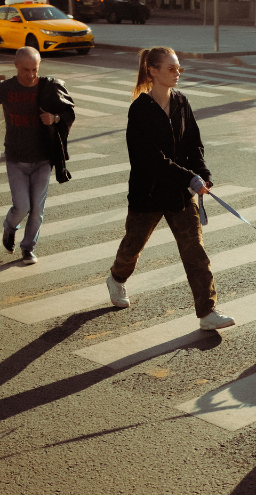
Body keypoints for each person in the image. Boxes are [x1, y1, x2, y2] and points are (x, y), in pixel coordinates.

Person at [105, 47, 235, 332]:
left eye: (179, 69)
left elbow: (193, 144)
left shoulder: (181, 102)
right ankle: (116, 278)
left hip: (179, 194)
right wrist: (190, 178)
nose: (177, 73)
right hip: (148, 192)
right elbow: (150, 159)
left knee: (195, 252)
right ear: (152, 71)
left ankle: (207, 311)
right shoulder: (139, 109)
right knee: (132, 247)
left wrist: (202, 173)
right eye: (171, 69)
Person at [0, 47, 75, 266]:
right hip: (16, 159)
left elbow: (69, 112)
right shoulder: (4, 88)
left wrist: (55, 118)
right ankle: (9, 227)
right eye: (26, 70)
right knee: (22, 206)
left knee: (37, 210)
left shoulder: (49, 87)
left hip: (43, 159)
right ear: (15, 65)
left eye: (35, 69)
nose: (31, 75)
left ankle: (28, 248)